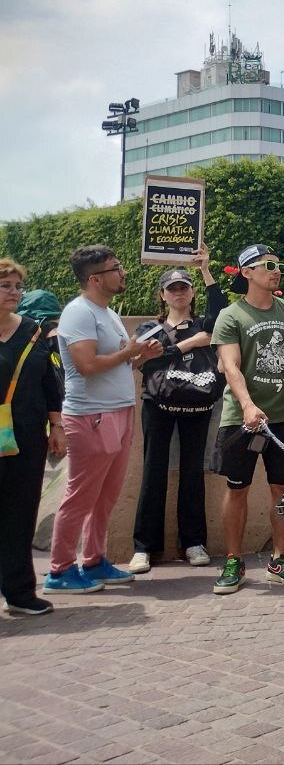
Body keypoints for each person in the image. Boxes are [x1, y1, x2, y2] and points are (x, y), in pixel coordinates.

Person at [45, 246, 162, 594]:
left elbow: (117, 365)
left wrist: (139, 356)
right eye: (116, 268)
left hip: (119, 411)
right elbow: (87, 366)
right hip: (90, 415)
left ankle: (94, 561)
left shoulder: (106, 312)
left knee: (105, 496)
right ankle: (60, 570)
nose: (123, 273)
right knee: (80, 496)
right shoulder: (78, 313)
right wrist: (130, 352)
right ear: (95, 278)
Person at [210, 244, 284, 594]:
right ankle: (234, 560)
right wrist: (248, 406)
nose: (276, 269)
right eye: (267, 265)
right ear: (247, 273)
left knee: (283, 490)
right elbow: (230, 366)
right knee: (237, 489)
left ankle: (280, 559)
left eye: (278, 264)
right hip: (244, 418)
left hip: (283, 415)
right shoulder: (231, 315)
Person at [127, 245, 228, 574]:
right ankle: (144, 547)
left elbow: (220, 315)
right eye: (172, 288)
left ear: (192, 291)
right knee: (153, 471)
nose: (178, 293)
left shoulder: (204, 322)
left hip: (198, 403)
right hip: (157, 404)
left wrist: (206, 270)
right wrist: (190, 343)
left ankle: (194, 541)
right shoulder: (149, 329)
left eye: (184, 287)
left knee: (192, 473)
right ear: (163, 295)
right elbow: (141, 359)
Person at [0, 258, 66, 616]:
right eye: (5, 286)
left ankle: (20, 592)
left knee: (21, 514)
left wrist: (56, 426)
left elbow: (48, 383)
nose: (13, 292)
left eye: (17, 286)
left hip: (27, 435)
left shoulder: (32, 331)